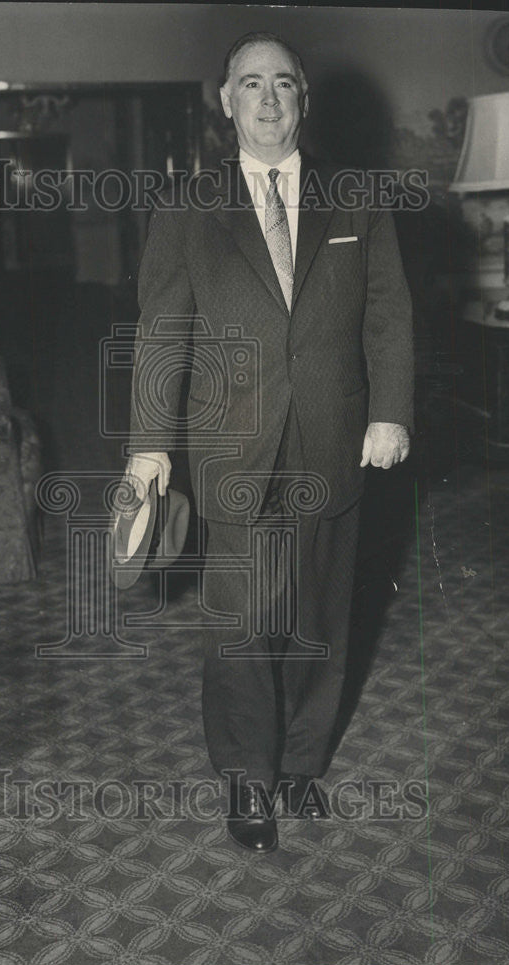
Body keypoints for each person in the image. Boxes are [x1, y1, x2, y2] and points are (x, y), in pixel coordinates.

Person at [125, 31, 413, 852]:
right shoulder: (186, 204)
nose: (267, 99)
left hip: (334, 439)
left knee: (322, 614)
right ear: (225, 101)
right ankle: (248, 782)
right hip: (232, 447)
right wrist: (150, 446)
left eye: (283, 84)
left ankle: (300, 769)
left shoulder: (356, 195)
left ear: (304, 100)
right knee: (246, 621)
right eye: (249, 84)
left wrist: (390, 411)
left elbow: (389, 313)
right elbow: (160, 333)